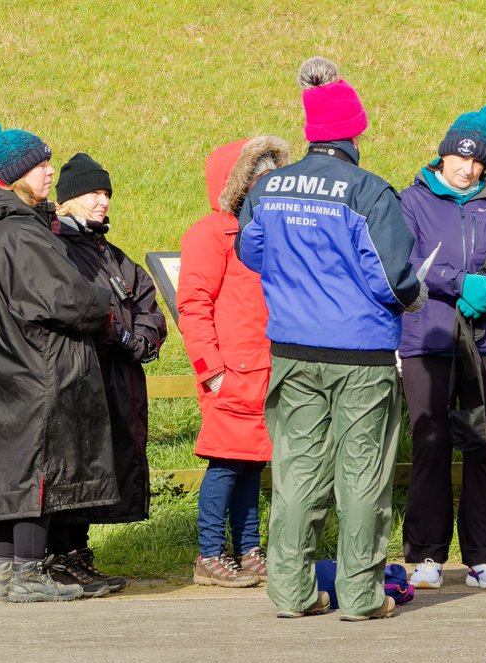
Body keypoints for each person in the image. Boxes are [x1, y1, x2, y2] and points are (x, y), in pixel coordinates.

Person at [237, 57, 427, 621]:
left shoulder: (269, 187)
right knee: (362, 477)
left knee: (296, 473)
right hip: (361, 355)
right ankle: (364, 596)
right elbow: (392, 277)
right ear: (354, 132)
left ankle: (292, 593)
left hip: (291, 349)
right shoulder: (368, 192)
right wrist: (411, 297)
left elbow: (252, 252)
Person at [0, 121, 117, 603]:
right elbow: (64, 299)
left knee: (11, 474)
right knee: (37, 471)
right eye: (40, 165)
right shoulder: (19, 234)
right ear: (15, 175)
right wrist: (103, 300)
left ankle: (4, 573)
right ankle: (28, 572)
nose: (49, 172)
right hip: (30, 370)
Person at [400, 104, 486, 591]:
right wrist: (460, 283)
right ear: (444, 153)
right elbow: (406, 259)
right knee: (429, 443)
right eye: (460, 157)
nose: (467, 168)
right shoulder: (411, 200)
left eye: (477, 162)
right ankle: (427, 555)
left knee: (485, 444)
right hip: (428, 338)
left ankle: (484, 556)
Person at [46, 153, 167, 597]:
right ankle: (56, 556)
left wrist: (143, 339)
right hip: (77, 376)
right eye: (94, 192)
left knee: (100, 465)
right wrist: (116, 335)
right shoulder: (55, 248)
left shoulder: (111, 254)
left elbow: (146, 302)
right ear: (69, 198)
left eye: (107, 193)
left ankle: (77, 554)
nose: (103, 202)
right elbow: (69, 307)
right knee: (72, 462)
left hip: (116, 380)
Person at [179, 136, 290, 589]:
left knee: (252, 464)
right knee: (224, 465)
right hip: (231, 372)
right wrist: (213, 371)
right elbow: (192, 305)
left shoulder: (272, 231)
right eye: (258, 177)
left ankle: (247, 548)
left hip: (265, 371)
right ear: (239, 183)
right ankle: (209, 554)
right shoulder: (211, 233)